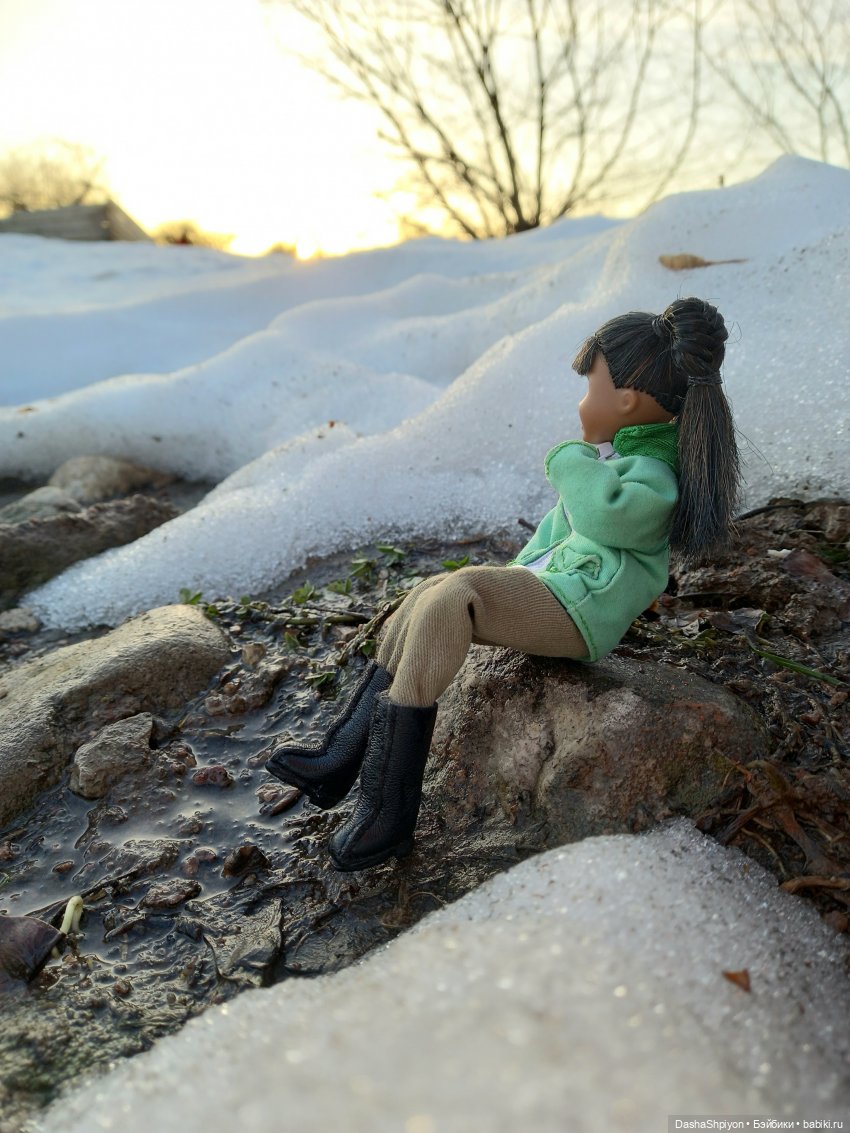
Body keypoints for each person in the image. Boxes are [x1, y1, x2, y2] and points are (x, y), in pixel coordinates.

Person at [266, 297, 741, 872]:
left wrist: (569, 457)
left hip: (582, 610)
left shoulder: (651, 475)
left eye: (590, 388)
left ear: (626, 400)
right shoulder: (619, 459)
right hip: (559, 593)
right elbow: (547, 542)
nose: (582, 402)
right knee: (425, 596)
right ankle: (343, 756)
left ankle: (387, 813)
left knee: (454, 596)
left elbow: (602, 516)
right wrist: (506, 581)